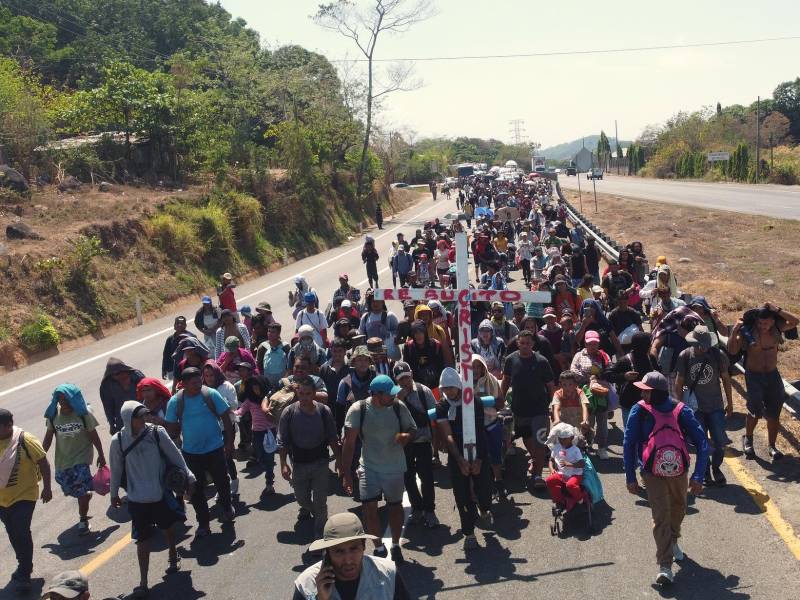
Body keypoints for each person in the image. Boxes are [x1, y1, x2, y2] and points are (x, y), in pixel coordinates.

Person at [623, 372, 709, 586]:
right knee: (661, 516)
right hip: (651, 473)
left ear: (655, 392)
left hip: (679, 472)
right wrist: (630, 476)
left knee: (679, 509)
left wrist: (699, 475)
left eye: (645, 390)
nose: (642, 392)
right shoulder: (639, 410)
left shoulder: (681, 411)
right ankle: (665, 566)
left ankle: (672, 540)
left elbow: (702, 442)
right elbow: (628, 443)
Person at [110, 401, 195, 598]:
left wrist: (189, 476)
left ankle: (173, 553)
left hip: (159, 493)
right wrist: (113, 494)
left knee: (168, 529)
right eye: (140, 417)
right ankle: (143, 582)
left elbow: (176, 456)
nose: (145, 419)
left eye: (146, 415)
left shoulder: (157, 433)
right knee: (142, 541)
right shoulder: (118, 441)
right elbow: (116, 470)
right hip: (136, 499)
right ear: (128, 420)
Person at [342, 375, 417, 563]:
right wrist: (346, 474)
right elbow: (349, 443)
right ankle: (379, 548)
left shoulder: (399, 407)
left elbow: (413, 429)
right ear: (376, 395)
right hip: (369, 467)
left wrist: (406, 436)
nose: (393, 397)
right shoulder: (358, 409)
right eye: (389, 394)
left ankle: (395, 545)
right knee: (369, 509)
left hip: (394, 468)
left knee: (395, 508)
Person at [164, 367, 235, 537]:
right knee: (195, 489)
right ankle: (203, 522)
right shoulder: (175, 401)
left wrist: (229, 442)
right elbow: (171, 427)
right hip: (191, 453)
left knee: (222, 482)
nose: (198, 384)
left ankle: (227, 507)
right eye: (194, 382)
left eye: (200, 380)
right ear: (184, 384)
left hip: (215, 448)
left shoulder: (210, 394)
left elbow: (226, 416)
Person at [728, 303, 798, 461]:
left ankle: (772, 446)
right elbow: (732, 350)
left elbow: (795, 322)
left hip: (773, 376)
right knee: (755, 411)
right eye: (759, 323)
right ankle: (748, 439)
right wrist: (734, 332)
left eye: (765, 323)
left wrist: (777, 309)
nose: (762, 326)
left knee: (774, 413)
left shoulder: (777, 328)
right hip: (754, 376)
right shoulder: (749, 332)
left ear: (772, 321)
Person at [435, 368, 493, 551]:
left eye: (451, 387)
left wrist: (480, 460)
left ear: (459, 385)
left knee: (484, 489)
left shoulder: (473, 401)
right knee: (461, 496)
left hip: (478, 451)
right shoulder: (442, 406)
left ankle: (484, 509)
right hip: (456, 455)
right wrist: (460, 460)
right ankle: (468, 533)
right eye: (445, 388)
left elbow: (481, 431)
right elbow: (447, 436)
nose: (448, 392)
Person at [292, 512, 411, 600]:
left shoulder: (388, 573)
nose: (348, 560)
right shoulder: (306, 584)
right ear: (327, 553)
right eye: (339, 551)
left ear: (363, 547)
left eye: (354, 549)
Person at [279, 375, 342, 539]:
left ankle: (320, 532)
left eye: (308, 394)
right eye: (301, 394)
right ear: (297, 393)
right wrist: (283, 464)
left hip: (320, 463)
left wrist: (339, 460)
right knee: (301, 498)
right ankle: (314, 511)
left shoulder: (323, 411)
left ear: (314, 393)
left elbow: (332, 438)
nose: (305, 398)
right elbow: (283, 441)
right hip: (299, 463)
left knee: (320, 500)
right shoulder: (289, 412)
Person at [0, 408, 52, 593]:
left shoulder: (25, 440)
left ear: (8, 426)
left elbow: (43, 463)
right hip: (2, 499)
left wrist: (47, 487)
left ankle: (24, 573)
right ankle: (24, 564)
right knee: (13, 533)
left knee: (21, 531)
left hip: (25, 495)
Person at [42, 385, 105, 535]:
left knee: (81, 492)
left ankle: (83, 520)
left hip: (81, 458)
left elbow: (93, 435)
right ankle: (85, 492)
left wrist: (101, 454)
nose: (63, 402)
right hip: (63, 460)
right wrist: (39, 457)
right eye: (60, 399)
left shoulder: (83, 414)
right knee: (69, 486)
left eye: (66, 399)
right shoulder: (54, 416)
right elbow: (48, 438)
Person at [674, 325, 732, 486]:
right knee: (701, 441)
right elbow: (679, 383)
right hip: (695, 408)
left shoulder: (718, 355)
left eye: (705, 345)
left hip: (716, 406)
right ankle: (704, 470)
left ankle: (716, 467)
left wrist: (731, 403)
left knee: (720, 441)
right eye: (699, 345)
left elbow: (726, 379)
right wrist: (679, 408)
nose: (702, 348)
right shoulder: (685, 356)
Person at [501, 330, 555, 489]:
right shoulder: (511, 360)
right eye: (522, 343)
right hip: (518, 409)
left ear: (533, 344)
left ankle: (538, 476)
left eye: (528, 343)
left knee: (539, 443)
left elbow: (551, 385)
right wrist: (500, 401)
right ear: (518, 343)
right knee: (527, 439)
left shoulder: (542, 361)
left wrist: (553, 405)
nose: (525, 346)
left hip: (539, 409)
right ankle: (535, 460)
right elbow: (505, 381)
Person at [393, 362, 438, 528]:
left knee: (427, 477)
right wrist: (399, 400)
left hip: (423, 440)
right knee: (408, 477)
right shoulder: (394, 396)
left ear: (411, 374)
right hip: (405, 443)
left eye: (406, 377)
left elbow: (435, 416)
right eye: (401, 379)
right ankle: (417, 508)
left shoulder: (423, 391)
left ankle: (429, 510)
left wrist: (437, 441)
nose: (405, 382)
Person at [236, 375, 276, 494]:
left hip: (270, 431)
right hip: (257, 432)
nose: (256, 390)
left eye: (258, 387)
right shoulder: (249, 400)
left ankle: (269, 481)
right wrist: (231, 413)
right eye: (253, 387)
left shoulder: (271, 398)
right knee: (260, 457)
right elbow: (240, 411)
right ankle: (268, 469)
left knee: (270, 457)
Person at [545, 423, 585, 513]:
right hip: (562, 473)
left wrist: (570, 464)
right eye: (560, 438)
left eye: (564, 439)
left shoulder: (575, 450)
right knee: (549, 480)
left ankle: (580, 499)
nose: (561, 440)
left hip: (575, 474)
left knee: (570, 485)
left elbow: (582, 464)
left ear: (571, 438)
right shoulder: (557, 447)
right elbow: (551, 460)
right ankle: (559, 500)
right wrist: (552, 469)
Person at [99, 357, 145, 434]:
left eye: (122, 371)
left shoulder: (137, 376)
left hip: (141, 416)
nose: (121, 375)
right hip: (123, 421)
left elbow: (148, 392)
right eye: (116, 374)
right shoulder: (107, 385)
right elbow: (108, 407)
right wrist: (112, 425)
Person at [257, 322, 291, 389]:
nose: (269, 334)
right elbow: (259, 364)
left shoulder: (285, 347)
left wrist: (284, 379)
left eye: (273, 332)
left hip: (282, 382)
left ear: (278, 334)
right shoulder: (263, 347)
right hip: (267, 382)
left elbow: (290, 366)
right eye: (269, 331)